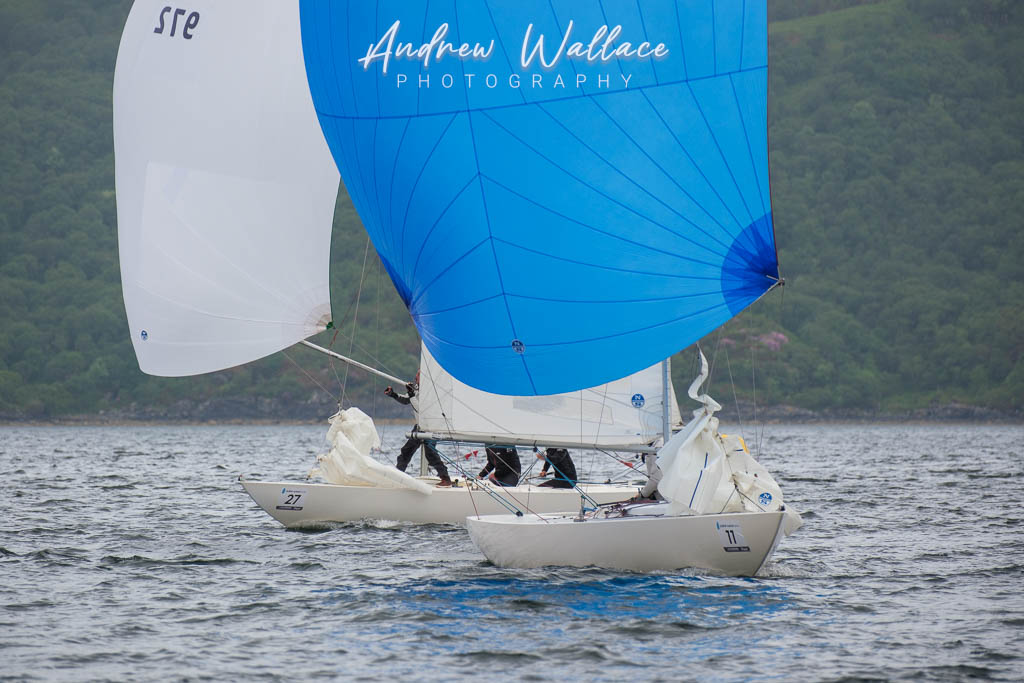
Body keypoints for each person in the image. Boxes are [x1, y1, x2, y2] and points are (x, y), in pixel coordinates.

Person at [385, 372, 453, 487]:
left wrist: (411, 394)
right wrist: (393, 394)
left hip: (431, 427)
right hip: (419, 427)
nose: (416, 377)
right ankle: (398, 476)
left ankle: (445, 479)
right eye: (416, 374)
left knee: (431, 455)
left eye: (419, 375)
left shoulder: (431, 391)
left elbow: (421, 409)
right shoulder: (416, 389)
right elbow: (407, 400)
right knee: (405, 452)